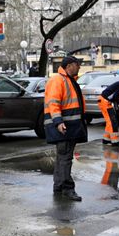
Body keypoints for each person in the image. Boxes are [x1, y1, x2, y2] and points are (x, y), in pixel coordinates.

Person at [43, 55, 87, 201]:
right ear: (69, 66)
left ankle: (59, 186)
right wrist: (58, 122)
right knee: (65, 158)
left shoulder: (68, 80)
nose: (79, 67)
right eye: (77, 64)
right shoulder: (58, 80)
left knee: (62, 158)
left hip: (69, 126)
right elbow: (53, 103)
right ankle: (67, 188)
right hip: (64, 127)